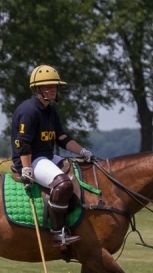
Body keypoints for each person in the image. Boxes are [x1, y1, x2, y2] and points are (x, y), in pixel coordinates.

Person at [11, 64, 94, 246]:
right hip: (31, 159)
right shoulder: (29, 110)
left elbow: (62, 137)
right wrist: (26, 169)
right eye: (48, 86)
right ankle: (58, 234)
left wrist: (82, 152)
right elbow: (22, 143)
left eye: (54, 86)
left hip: (46, 156)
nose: (53, 90)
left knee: (79, 171)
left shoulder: (50, 110)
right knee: (63, 184)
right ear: (37, 89)